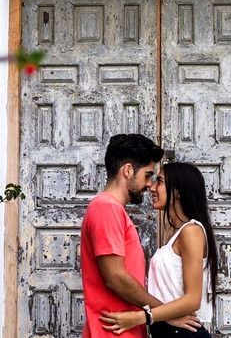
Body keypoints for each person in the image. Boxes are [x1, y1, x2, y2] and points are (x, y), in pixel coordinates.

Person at [80, 135, 201, 338]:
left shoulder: (112, 210)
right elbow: (116, 277)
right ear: (127, 171)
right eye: (147, 175)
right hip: (113, 332)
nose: (149, 185)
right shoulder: (106, 209)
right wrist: (164, 313)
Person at [99, 161, 219, 337]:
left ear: (177, 192)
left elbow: (193, 300)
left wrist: (140, 318)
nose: (152, 187)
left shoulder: (191, 231)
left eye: (160, 181)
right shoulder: (177, 233)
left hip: (183, 333)